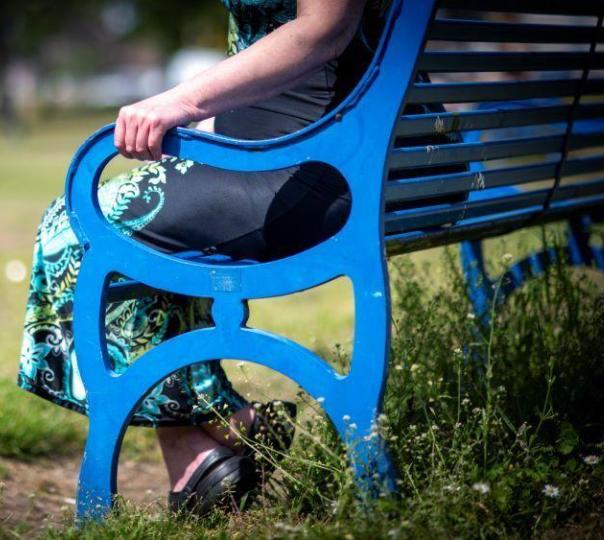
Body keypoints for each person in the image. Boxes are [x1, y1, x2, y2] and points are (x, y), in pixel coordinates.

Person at [19, 0, 372, 515]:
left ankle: (221, 430)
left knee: (75, 226)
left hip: (306, 169)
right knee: (152, 234)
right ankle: (201, 458)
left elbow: (325, 28)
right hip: (371, 157)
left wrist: (181, 102)